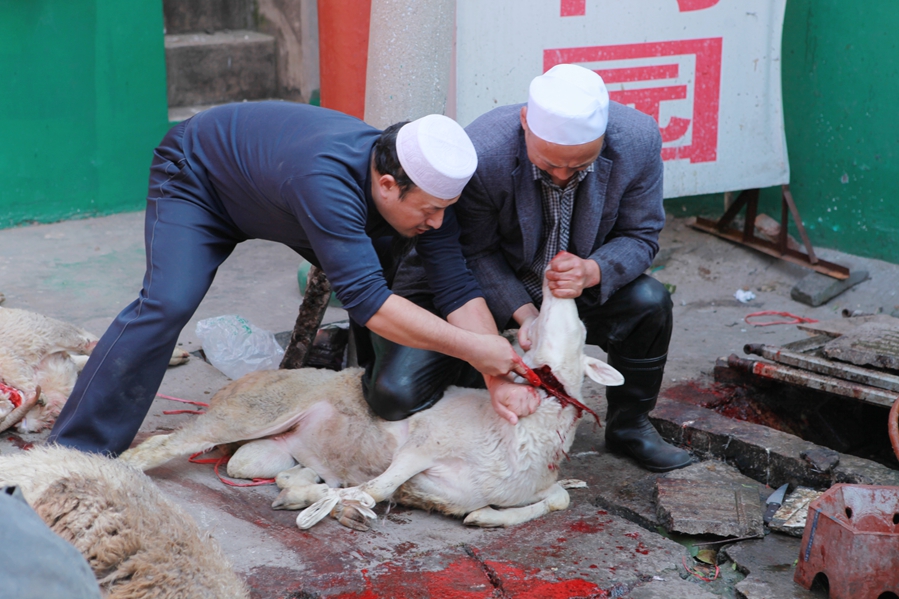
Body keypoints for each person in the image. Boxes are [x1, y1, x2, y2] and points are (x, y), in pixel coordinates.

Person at [47, 101, 532, 456]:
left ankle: (359, 413)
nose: (438, 223)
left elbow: (456, 286)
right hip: (199, 181)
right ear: (387, 185)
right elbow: (369, 302)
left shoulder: (423, 193)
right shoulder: (326, 180)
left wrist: (495, 370)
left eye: (445, 211)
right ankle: (76, 449)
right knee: (167, 303)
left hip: (278, 197)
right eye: (430, 210)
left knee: (392, 268)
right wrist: (473, 348)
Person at [386, 64, 692, 472]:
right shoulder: (486, 151)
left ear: (603, 138)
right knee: (396, 397)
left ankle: (629, 423)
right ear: (526, 122)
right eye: (550, 165)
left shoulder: (636, 140)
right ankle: (477, 379)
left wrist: (593, 270)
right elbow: (473, 253)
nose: (563, 175)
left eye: (579, 165)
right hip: (487, 292)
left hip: (573, 295)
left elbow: (642, 235)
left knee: (650, 302)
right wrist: (525, 314)